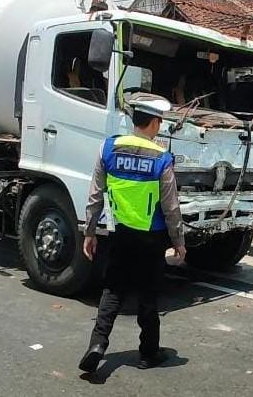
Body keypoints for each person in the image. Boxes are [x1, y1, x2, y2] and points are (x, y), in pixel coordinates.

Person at [79, 93, 187, 373]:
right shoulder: (161, 158)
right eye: (159, 122)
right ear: (154, 123)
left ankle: (97, 345)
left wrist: (89, 232)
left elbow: (95, 195)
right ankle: (148, 353)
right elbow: (171, 206)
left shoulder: (108, 148)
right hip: (152, 237)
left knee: (113, 290)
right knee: (148, 294)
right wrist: (179, 242)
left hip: (121, 233)